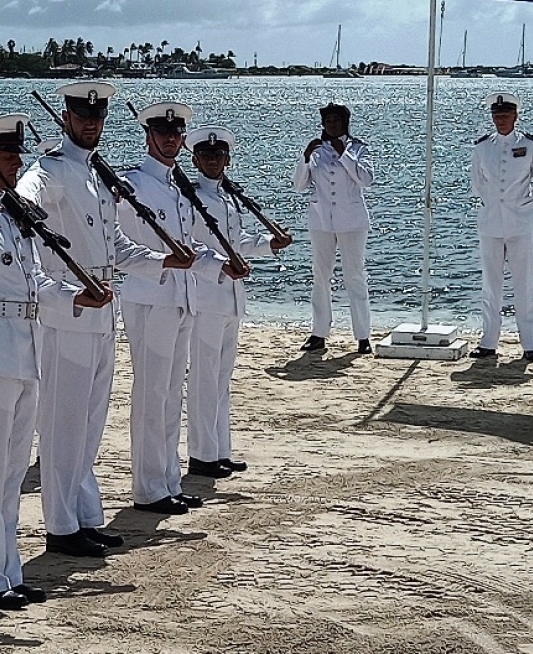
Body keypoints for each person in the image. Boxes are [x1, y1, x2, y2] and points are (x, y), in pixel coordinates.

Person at [0, 114, 114, 609]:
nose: (16, 160)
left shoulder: (12, 215)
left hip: (23, 356)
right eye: (6, 152)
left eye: (16, 152)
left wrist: (78, 298)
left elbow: (34, 289)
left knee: (11, 475)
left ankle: (7, 571)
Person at [16, 83, 181, 556]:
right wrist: (27, 202)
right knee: (63, 422)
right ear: (66, 117)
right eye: (82, 116)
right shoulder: (51, 170)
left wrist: (163, 259)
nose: (91, 123)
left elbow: (115, 247)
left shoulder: (93, 175)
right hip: (69, 310)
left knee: (90, 421)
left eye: (98, 117)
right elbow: (27, 195)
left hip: (102, 307)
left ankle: (84, 514)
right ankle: (60, 525)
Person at [117, 102, 243, 516]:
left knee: (172, 395)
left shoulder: (178, 188)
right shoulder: (130, 186)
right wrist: (162, 262)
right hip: (150, 298)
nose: (170, 138)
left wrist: (220, 266)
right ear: (148, 135)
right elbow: (117, 248)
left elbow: (192, 246)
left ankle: (167, 480)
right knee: (152, 395)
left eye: (176, 133)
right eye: (162, 131)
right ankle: (148, 488)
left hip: (182, 298)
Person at [185, 124, 292, 478]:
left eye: (218, 155)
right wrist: (220, 267)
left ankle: (220, 448)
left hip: (231, 299)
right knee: (204, 378)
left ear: (228, 159)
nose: (212, 161)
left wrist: (267, 244)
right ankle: (202, 454)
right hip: (205, 295)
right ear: (196, 159)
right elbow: (193, 247)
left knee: (221, 378)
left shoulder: (229, 197)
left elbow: (239, 241)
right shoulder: (189, 197)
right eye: (205, 156)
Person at [470, 92, 533, 362]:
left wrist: (528, 209)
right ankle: (488, 342)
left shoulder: (530, 146)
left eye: (505, 115)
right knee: (491, 286)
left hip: (520, 223)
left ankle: (530, 345)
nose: (500, 120)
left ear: (516, 117)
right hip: (491, 223)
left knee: (523, 284)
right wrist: (492, 205)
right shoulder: (483, 147)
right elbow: (477, 183)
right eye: (496, 116)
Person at [292, 102, 375, 355]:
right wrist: (305, 158)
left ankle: (362, 336)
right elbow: (299, 185)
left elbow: (366, 180)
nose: (332, 125)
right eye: (328, 121)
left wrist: (345, 155)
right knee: (320, 276)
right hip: (321, 221)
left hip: (352, 221)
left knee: (355, 277)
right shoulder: (316, 151)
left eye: (336, 121)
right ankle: (319, 333)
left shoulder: (358, 148)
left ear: (345, 123)